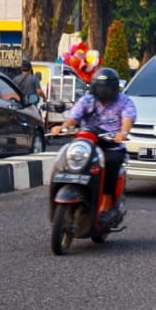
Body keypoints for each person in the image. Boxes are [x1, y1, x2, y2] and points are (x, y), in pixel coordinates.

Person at [53, 68, 136, 217]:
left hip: (111, 145)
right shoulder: (87, 100)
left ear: (115, 87)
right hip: (87, 143)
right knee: (67, 159)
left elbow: (127, 119)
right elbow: (74, 117)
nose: (103, 91)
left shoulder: (124, 101)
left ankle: (107, 203)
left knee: (111, 163)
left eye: (107, 87)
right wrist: (63, 127)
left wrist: (122, 133)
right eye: (100, 86)